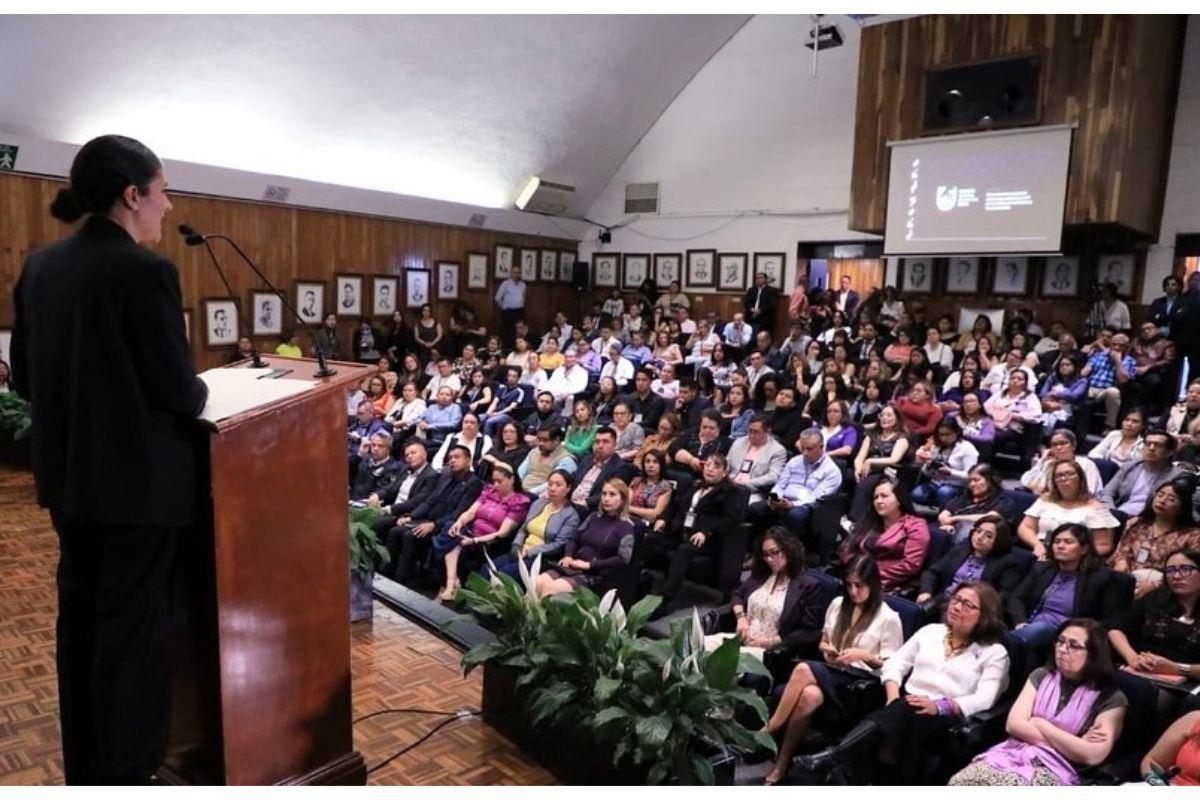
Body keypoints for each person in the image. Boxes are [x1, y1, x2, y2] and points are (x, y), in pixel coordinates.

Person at [10, 135, 208, 784]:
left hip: (70, 486)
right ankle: (126, 777)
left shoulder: (41, 266)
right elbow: (179, 390)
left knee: (83, 630)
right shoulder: (146, 273)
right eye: (163, 190)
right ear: (132, 196)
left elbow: (27, 382)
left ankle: (87, 770)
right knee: (134, 642)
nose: (167, 204)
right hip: (140, 495)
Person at [796, 583, 1009, 785]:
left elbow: (986, 697)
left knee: (905, 711)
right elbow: (894, 665)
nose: (957, 606)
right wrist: (892, 697)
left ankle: (835, 757)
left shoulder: (994, 653)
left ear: (985, 616)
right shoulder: (931, 631)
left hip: (946, 716)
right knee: (903, 708)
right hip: (904, 704)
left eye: (968, 605)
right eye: (956, 599)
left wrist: (941, 706)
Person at [762, 555, 904, 785]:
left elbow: (892, 665)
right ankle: (783, 762)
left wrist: (865, 656)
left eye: (859, 585)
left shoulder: (888, 618)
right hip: (832, 669)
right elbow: (824, 641)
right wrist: (828, 649)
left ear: (873, 584)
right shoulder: (839, 604)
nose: (853, 591)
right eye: (849, 585)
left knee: (802, 669)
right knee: (809, 696)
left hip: (859, 682)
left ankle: (769, 728)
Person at [949, 619, 1127, 786]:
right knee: (960, 781)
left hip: (1056, 769)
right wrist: (1073, 744)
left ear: (1094, 654)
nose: (1063, 649)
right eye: (1060, 641)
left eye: (1074, 646)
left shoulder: (1111, 698)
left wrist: (1039, 723)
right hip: (1012, 753)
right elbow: (1014, 725)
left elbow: (1092, 755)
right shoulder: (1041, 675)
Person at [1008, 523, 1123, 648]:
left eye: (1068, 542)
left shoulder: (1099, 578)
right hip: (1030, 628)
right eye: (1057, 542)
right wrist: (1020, 622)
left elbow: (1107, 620)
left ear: (1084, 549)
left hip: (1066, 635)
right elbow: (1016, 598)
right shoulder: (1042, 569)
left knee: (1039, 629)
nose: (1060, 546)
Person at [385, 445, 484, 585]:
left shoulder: (474, 483)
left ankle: (403, 578)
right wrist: (411, 517)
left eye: (457, 457)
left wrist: (433, 525)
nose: (452, 461)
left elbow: (459, 513)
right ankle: (387, 572)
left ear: (468, 460)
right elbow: (429, 501)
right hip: (427, 519)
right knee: (395, 531)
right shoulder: (446, 476)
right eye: (450, 458)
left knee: (411, 535)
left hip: (444, 526)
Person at [652, 453, 746, 602]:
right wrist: (663, 518)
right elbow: (676, 504)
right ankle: (641, 586)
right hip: (680, 531)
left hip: (705, 539)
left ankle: (665, 600)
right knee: (651, 538)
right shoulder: (696, 485)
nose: (710, 469)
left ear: (724, 472)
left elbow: (731, 519)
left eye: (716, 466)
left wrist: (706, 531)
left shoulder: (730, 492)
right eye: (707, 465)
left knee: (684, 550)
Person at [433, 462, 531, 601]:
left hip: (488, 541)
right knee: (449, 529)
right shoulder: (489, 491)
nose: (495, 485)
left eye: (500, 481)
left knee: (450, 543)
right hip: (471, 531)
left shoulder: (519, 502)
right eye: (494, 481)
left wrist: (475, 540)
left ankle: (449, 586)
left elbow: (502, 532)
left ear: (511, 479)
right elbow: (471, 512)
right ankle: (452, 583)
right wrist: (459, 522)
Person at [535, 478, 636, 598]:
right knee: (537, 583)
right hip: (573, 565)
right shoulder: (593, 517)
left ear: (623, 499)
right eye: (604, 494)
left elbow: (623, 559)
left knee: (551, 589)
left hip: (594, 573)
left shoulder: (626, 527)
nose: (606, 498)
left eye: (612, 494)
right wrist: (568, 555)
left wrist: (590, 565)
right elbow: (574, 539)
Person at [917, 514, 1024, 618]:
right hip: (943, 601)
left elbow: (1001, 598)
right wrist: (925, 591)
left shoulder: (1008, 563)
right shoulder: (962, 548)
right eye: (978, 531)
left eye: (988, 536)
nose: (980, 537)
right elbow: (933, 572)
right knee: (917, 611)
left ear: (999, 541)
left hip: (971, 612)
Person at [748, 429, 842, 543]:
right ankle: (758, 547)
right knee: (755, 508)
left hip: (806, 506)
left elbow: (816, 497)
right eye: (803, 448)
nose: (805, 453)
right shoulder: (794, 461)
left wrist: (792, 504)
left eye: (809, 449)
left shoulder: (832, 471)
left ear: (821, 447)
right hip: (783, 500)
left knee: (795, 515)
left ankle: (791, 552)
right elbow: (780, 485)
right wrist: (774, 498)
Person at [1109, 480, 1200, 598]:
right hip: (1128, 579)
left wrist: (1158, 584)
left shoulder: (1192, 535)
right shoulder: (1137, 524)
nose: (1162, 501)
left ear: (1182, 508)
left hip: (1166, 586)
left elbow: (1192, 571)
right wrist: (1121, 562)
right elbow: (1121, 552)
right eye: (1160, 495)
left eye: (1171, 499)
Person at [838, 478, 929, 593]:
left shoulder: (915, 525)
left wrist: (869, 577)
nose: (879, 501)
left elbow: (910, 565)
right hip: (855, 578)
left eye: (884, 496)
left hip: (887, 585)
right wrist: (855, 570)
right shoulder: (869, 521)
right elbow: (847, 547)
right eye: (876, 497)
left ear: (899, 499)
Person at [488, 469, 580, 581]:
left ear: (568, 488)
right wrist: (517, 545)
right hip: (520, 551)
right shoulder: (538, 503)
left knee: (503, 574)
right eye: (550, 484)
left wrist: (530, 552)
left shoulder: (571, 515)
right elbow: (524, 528)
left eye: (558, 485)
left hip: (540, 558)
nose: (552, 488)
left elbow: (559, 544)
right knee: (487, 568)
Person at [1019, 460, 1120, 560]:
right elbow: (1025, 527)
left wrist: (1074, 555)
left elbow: (1103, 545)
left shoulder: (1096, 508)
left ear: (1081, 478)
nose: (1063, 478)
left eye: (1069, 474)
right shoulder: (1045, 500)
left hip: (1074, 561)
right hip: (1040, 553)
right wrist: (1037, 545)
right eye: (1058, 475)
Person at [1099, 429, 1191, 522]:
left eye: (1158, 445)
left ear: (1169, 452)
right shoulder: (1130, 466)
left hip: (1149, 521)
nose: (1151, 448)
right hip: (1117, 514)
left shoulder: (1178, 476)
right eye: (1148, 444)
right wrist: (1111, 512)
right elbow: (1107, 492)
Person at [849, 404, 910, 521]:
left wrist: (871, 461)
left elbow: (894, 459)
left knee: (866, 484)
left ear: (897, 418)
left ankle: (855, 520)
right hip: (867, 469)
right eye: (882, 415)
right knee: (847, 476)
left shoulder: (901, 438)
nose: (884, 418)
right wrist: (857, 469)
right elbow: (860, 457)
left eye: (889, 415)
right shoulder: (872, 435)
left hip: (887, 471)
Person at [911, 417, 979, 510]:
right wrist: (928, 467)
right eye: (941, 434)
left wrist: (951, 472)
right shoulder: (937, 446)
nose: (943, 438)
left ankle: (950, 509)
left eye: (947, 434)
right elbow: (927, 474)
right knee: (916, 495)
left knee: (944, 492)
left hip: (958, 485)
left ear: (957, 432)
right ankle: (946, 505)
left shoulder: (967, 448)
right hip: (937, 483)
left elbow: (971, 475)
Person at [936, 463, 1016, 542]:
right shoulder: (966, 495)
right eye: (970, 481)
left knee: (965, 530)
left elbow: (990, 518)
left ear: (990, 480)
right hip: (957, 530)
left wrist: (955, 519)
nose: (972, 484)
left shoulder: (1003, 500)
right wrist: (947, 523)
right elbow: (945, 513)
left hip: (985, 539)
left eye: (976, 480)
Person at [569, 427, 637, 512]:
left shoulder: (621, 467)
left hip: (590, 509)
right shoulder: (588, 459)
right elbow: (573, 478)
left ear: (615, 445)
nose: (600, 446)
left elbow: (611, 494)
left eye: (605, 442)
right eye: (597, 442)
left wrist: (585, 503)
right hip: (569, 504)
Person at [725, 414, 788, 504]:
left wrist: (747, 483)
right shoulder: (739, 442)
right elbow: (727, 463)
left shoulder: (777, 450)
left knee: (741, 504)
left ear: (768, 432)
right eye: (749, 431)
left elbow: (773, 476)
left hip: (753, 491)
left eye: (756, 432)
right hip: (730, 484)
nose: (751, 435)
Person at [1080, 331, 1136, 432]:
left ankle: (1109, 426)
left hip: (1105, 391)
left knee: (1113, 392)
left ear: (1127, 347)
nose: (1117, 348)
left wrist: (1118, 361)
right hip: (1090, 388)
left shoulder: (1129, 361)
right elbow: (1083, 373)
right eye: (1114, 344)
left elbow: (1123, 380)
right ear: (1110, 344)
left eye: (1121, 346)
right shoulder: (1099, 355)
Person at [1020, 430, 1103, 496]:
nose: (1059, 447)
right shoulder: (1049, 463)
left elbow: (1089, 492)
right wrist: (1042, 460)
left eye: (1063, 443)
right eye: (1054, 444)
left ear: (1073, 445)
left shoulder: (1087, 465)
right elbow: (1026, 481)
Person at [517, 423, 577, 497]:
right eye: (539, 440)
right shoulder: (534, 451)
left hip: (541, 496)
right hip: (521, 491)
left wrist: (529, 493)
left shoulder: (566, 460)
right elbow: (520, 472)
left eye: (545, 440)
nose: (541, 443)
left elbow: (554, 484)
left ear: (557, 440)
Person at [350, 430, 402, 501]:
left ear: (389, 449)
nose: (375, 449)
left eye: (380, 446)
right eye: (373, 445)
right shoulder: (364, 459)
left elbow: (379, 492)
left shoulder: (394, 467)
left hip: (367, 506)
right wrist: (359, 455)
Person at [494, 263, 526, 348]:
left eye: (518, 273)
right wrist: (504, 307)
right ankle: (508, 350)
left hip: (519, 311)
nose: (516, 274)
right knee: (508, 333)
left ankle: (519, 348)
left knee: (519, 332)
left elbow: (523, 297)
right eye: (514, 272)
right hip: (508, 312)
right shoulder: (505, 284)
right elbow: (497, 298)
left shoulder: (523, 285)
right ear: (511, 274)